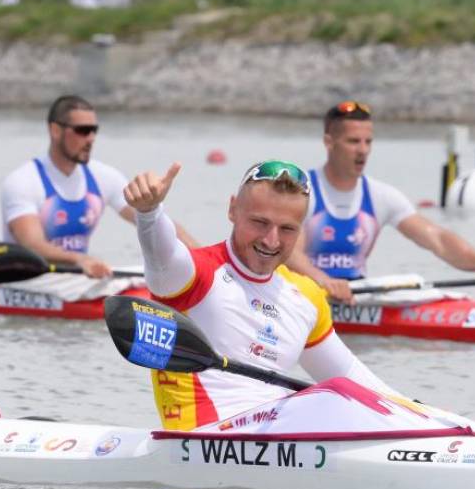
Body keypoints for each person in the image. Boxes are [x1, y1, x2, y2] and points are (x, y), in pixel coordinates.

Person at [124, 160, 398, 430]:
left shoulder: (306, 296)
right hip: (206, 440)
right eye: (260, 223)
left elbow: (354, 379)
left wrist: (422, 415)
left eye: (287, 229)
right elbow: (161, 252)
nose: (271, 240)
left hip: (281, 434)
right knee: (331, 399)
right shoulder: (192, 275)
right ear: (233, 210)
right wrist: (149, 212)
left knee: (345, 394)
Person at [286, 100, 475, 304]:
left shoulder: (381, 195)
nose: (363, 151)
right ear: (329, 142)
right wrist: (325, 281)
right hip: (303, 295)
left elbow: (438, 240)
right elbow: (289, 253)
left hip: (355, 297)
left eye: (368, 142)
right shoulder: (302, 191)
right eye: (353, 141)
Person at [0, 94, 197, 278]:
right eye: (83, 131)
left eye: (94, 130)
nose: (91, 138)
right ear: (55, 131)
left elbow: (154, 220)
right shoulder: (23, 181)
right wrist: (80, 259)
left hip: (77, 277)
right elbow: (32, 244)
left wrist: (201, 255)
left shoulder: (103, 176)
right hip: (27, 280)